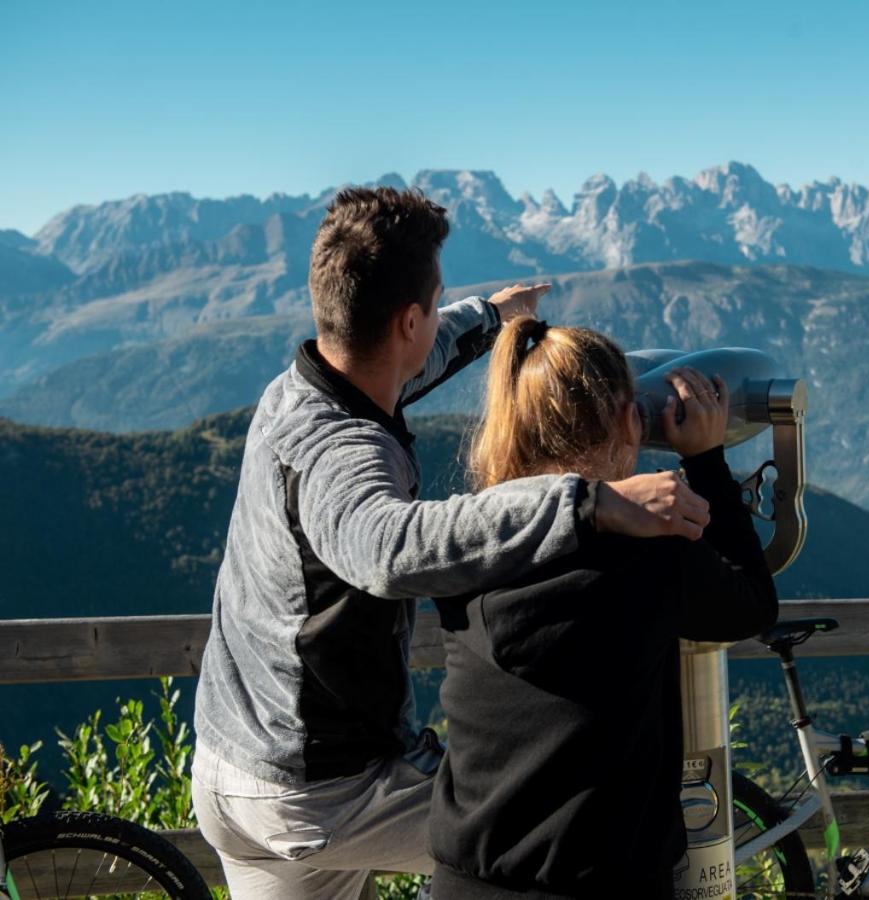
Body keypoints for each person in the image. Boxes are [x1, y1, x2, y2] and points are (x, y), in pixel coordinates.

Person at [191, 187, 712, 900]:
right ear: (408, 319)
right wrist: (586, 502)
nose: (437, 318)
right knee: (549, 824)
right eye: (434, 305)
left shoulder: (297, 392)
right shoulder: (345, 449)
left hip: (232, 769)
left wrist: (492, 316)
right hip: (324, 791)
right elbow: (388, 547)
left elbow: (417, 357)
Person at [428, 317, 780, 899]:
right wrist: (706, 462)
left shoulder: (468, 542)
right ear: (627, 420)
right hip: (603, 883)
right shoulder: (649, 555)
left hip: (466, 881)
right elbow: (752, 607)